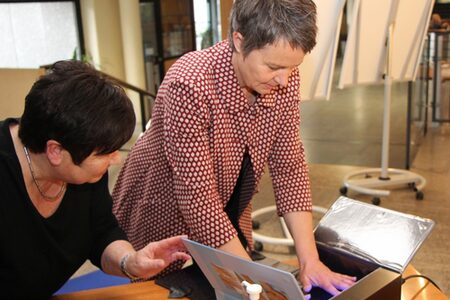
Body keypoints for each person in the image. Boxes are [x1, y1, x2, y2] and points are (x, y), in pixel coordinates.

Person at [113, 0, 355, 295]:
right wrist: (256, 282)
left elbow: (289, 168)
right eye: (274, 66)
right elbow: (198, 199)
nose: (284, 79)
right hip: (163, 210)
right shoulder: (190, 84)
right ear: (239, 41)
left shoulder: (281, 77)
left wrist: (310, 260)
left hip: (227, 207)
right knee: (165, 290)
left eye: (293, 67)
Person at [0, 60, 190, 299]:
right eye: (106, 153)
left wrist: (129, 261)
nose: (116, 160)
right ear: (56, 151)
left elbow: (101, 232)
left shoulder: (83, 165)